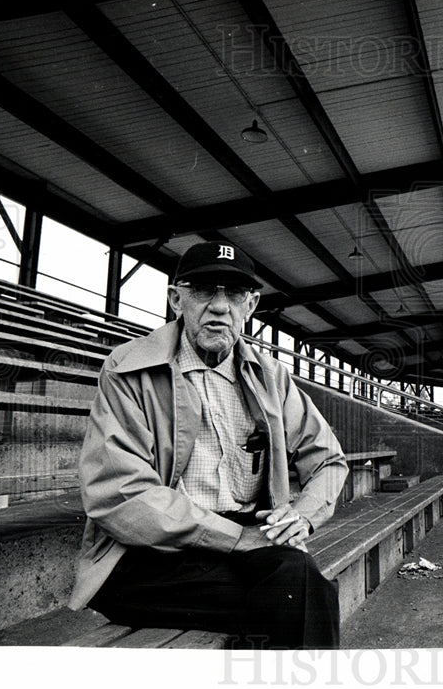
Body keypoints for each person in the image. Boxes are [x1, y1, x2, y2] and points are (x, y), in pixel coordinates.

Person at [67, 241, 349, 648]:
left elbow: (328, 459)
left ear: (250, 305)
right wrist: (237, 538)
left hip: (246, 543)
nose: (220, 307)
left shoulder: (269, 375)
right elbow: (119, 493)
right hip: (151, 556)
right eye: (203, 291)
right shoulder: (128, 367)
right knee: (304, 595)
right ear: (175, 300)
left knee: (296, 586)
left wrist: (302, 517)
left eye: (234, 294)